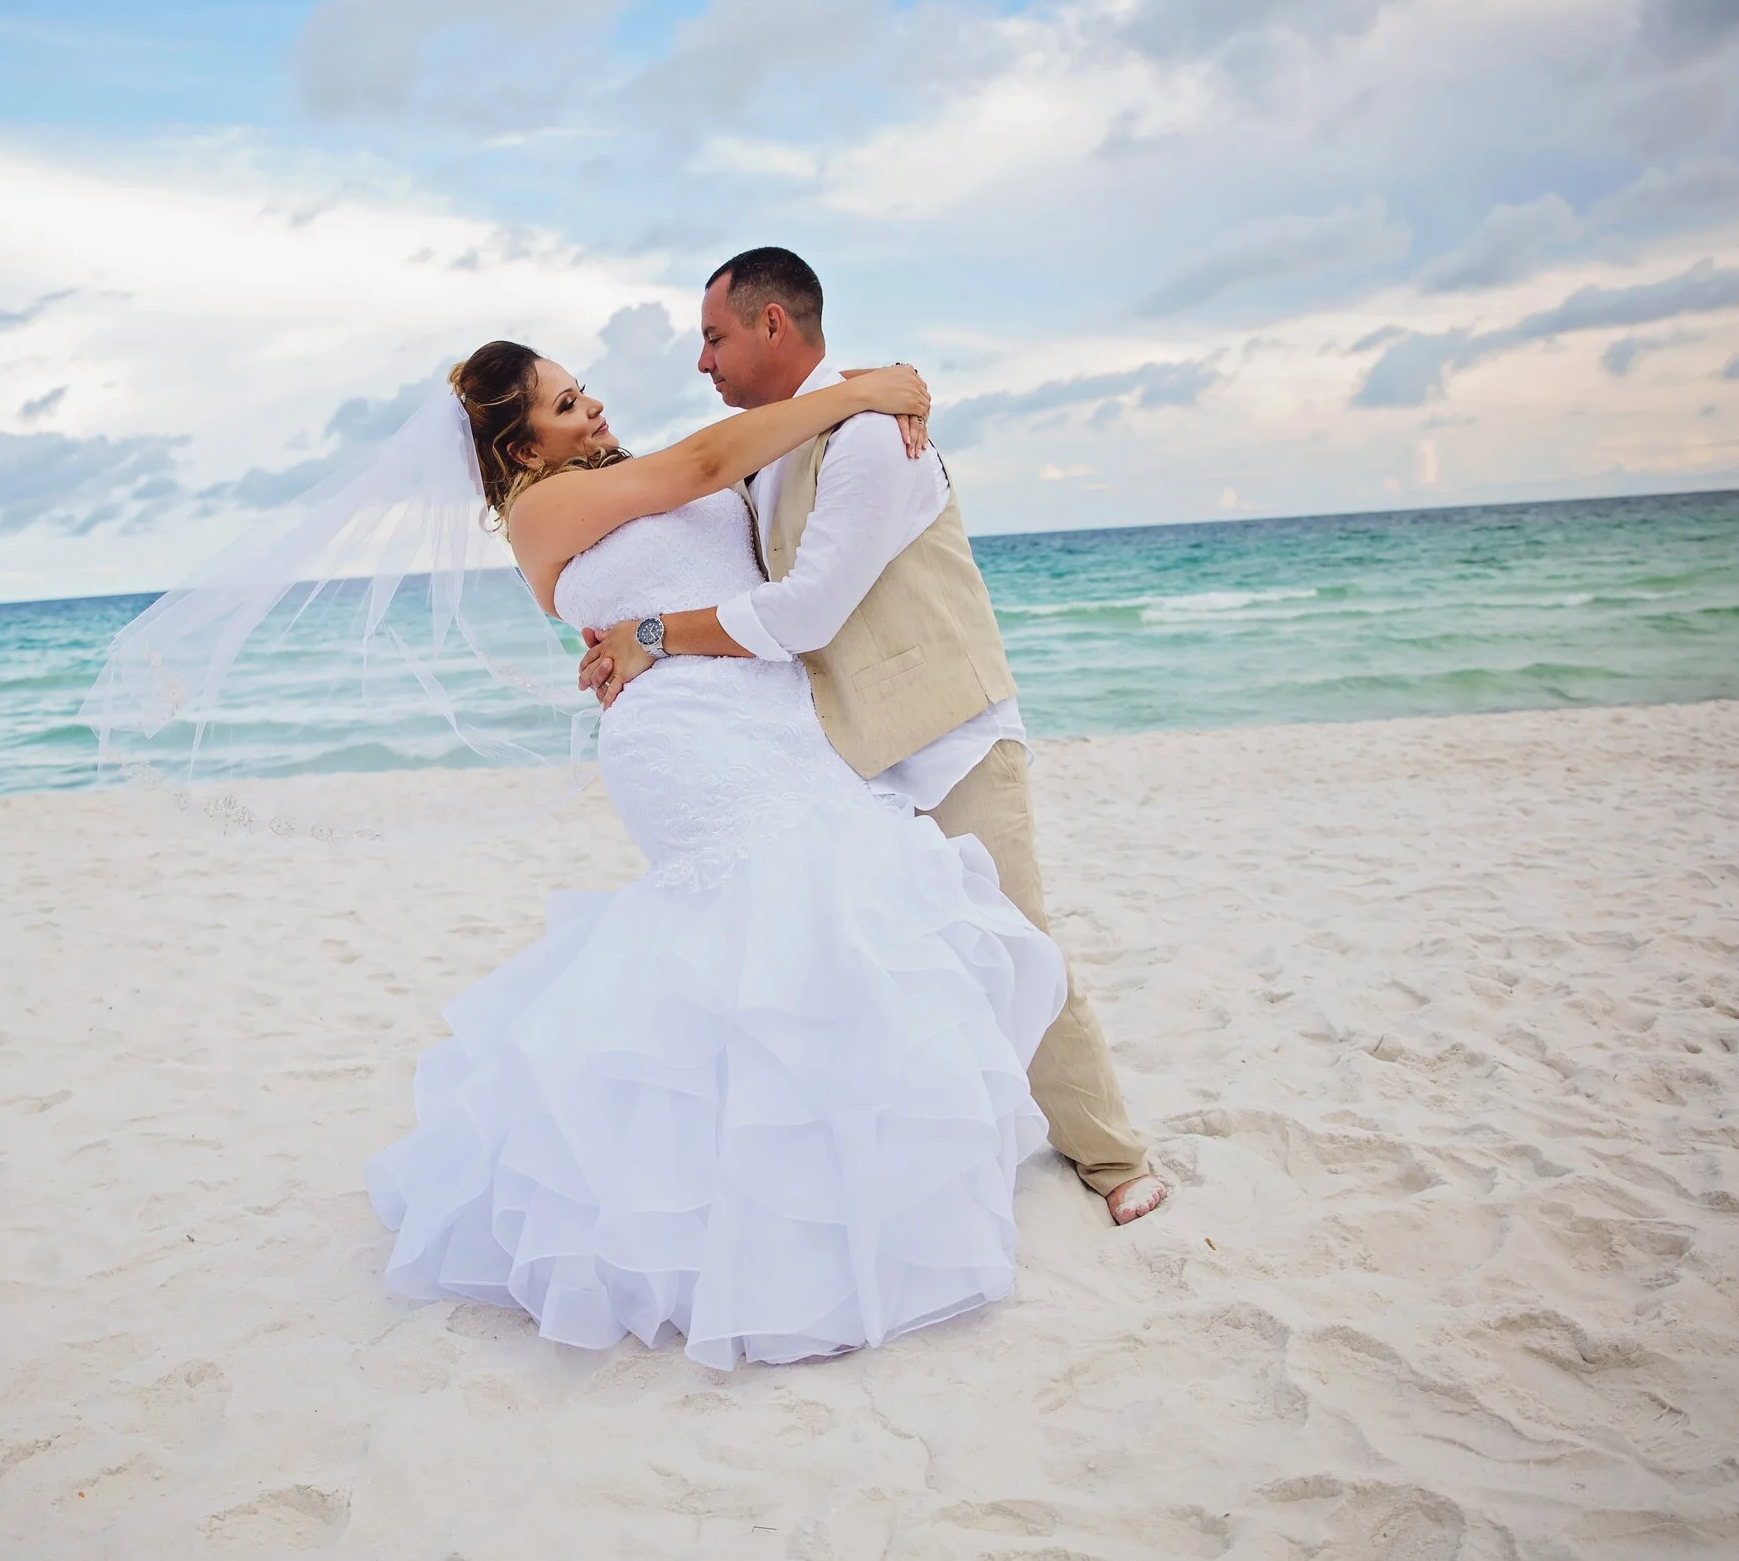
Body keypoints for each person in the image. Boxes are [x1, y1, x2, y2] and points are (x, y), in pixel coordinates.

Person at [363, 342, 1071, 1369]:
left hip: (776, 716)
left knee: (832, 937)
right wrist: (865, 393)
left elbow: (754, 491)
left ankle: (846, 1178)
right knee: (756, 936)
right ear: (520, 449)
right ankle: (743, 1227)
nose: (593, 405)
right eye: (565, 403)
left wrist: (862, 401)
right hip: (686, 739)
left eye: (582, 388)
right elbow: (705, 464)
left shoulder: (624, 476)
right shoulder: (542, 514)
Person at [577, 248, 1168, 1226]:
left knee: (1017, 944)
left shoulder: (870, 437)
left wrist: (651, 635)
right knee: (901, 968)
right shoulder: (770, 448)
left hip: (951, 731)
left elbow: (807, 609)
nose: (702, 361)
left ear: (773, 324)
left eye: (714, 337)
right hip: (846, 757)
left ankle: (1109, 1155)